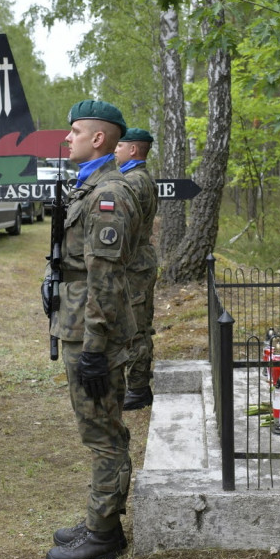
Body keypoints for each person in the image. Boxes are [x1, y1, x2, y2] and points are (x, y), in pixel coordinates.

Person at [44, 100, 140, 559]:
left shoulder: (110, 194)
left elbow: (106, 276)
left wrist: (97, 350)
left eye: (75, 131)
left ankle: (104, 533)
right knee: (97, 428)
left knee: (103, 432)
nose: (68, 139)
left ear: (97, 138)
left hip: (92, 331)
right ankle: (102, 517)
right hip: (80, 323)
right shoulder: (91, 187)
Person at [114, 128, 160, 410]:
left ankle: (139, 388)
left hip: (134, 264)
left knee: (136, 328)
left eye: (120, 145)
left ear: (133, 150)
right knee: (136, 324)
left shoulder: (133, 181)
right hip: (138, 261)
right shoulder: (138, 178)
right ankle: (136, 383)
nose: (115, 150)